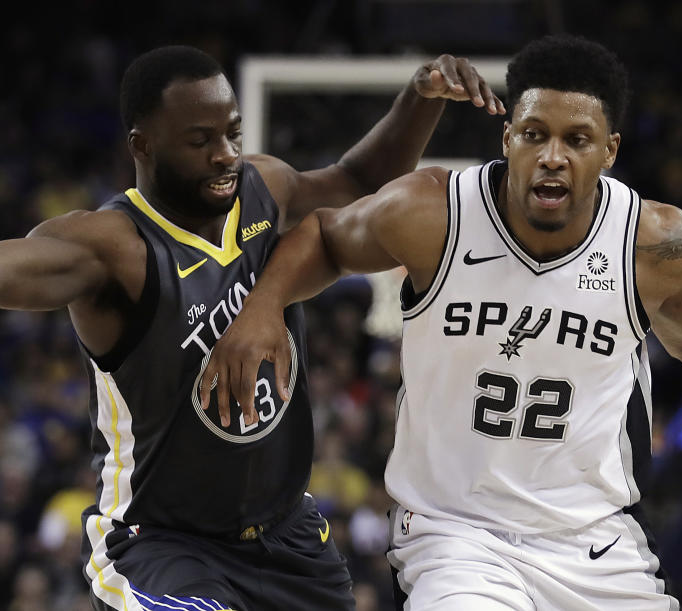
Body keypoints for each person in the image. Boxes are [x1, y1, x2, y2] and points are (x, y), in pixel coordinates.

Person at [201, 36, 682, 610]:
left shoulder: (654, 242)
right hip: (457, 537)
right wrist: (261, 309)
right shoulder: (430, 212)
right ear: (507, 136)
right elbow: (325, 234)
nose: (553, 155)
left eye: (577, 139)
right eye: (535, 133)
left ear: (609, 151)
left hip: (596, 542)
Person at [0, 44, 503, 610]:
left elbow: (359, 179)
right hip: (163, 546)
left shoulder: (263, 189)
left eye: (232, 134)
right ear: (142, 145)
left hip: (286, 537)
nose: (225, 155)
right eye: (200, 141)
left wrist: (420, 99)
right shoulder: (111, 247)